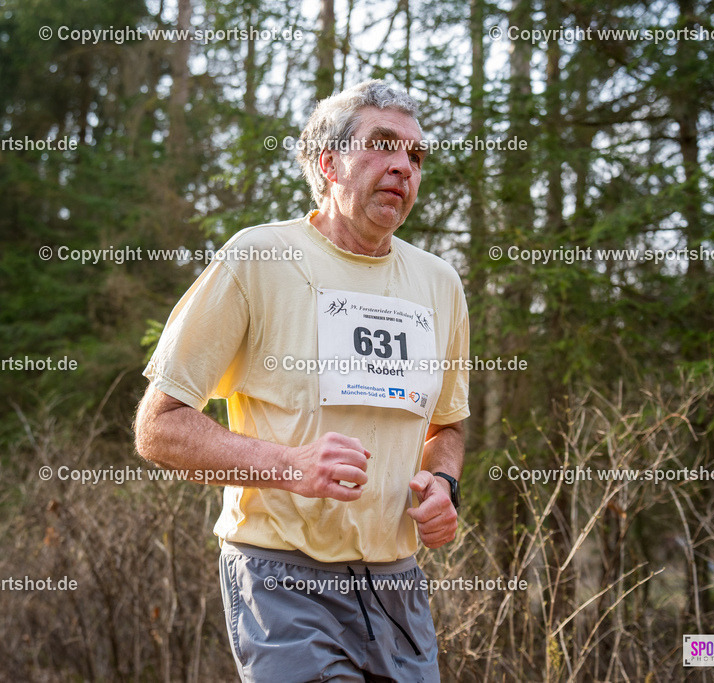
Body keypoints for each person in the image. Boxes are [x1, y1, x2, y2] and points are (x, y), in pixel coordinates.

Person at [135, 79, 470, 682]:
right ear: (328, 163)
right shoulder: (258, 258)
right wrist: (290, 466)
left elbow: (446, 425)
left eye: (416, 155)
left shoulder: (439, 283)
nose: (403, 166)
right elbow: (160, 428)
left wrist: (443, 484)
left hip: (396, 585)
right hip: (282, 576)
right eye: (383, 145)